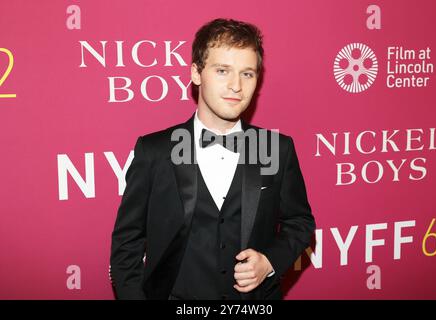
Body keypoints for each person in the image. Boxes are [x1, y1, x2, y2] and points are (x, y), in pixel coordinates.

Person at [110, 18, 315, 300]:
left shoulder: (275, 147)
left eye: (247, 74)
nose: (236, 86)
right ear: (196, 73)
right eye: (222, 71)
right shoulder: (154, 151)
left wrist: (269, 261)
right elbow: (127, 243)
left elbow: (300, 223)